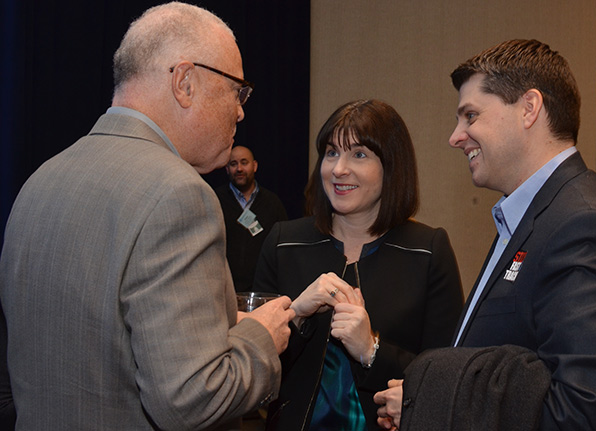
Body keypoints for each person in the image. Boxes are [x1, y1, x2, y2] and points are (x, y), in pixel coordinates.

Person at [0, 2, 295, 430]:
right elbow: (192, 400)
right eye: (237, 89)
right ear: (185, 82)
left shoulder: (39, 181)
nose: (241, 110)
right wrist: (260, 337)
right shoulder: (179, 195)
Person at [374, 39, 596, 430]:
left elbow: (583, 410)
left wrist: (431, 401)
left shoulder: (584, 227)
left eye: (470, 115)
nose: (456, 136)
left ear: (529, 108)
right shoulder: (537, 214)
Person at [254, 99, 465, 430]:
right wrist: (296, 315)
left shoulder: (427, 250)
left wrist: (371, 349)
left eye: (359, 154)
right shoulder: (284, 242)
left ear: (391, 166)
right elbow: (251, 370)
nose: (338, 169)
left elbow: (446, 379)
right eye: (331, 152)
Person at [216, 145, 288, 292]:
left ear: (254, 166)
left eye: (244, 162)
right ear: (227, 169)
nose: (239, 169)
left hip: (263, 290)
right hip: (223, 290)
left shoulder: (272, 203)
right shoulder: (215, 200)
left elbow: (283, 248)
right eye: (233, 164)